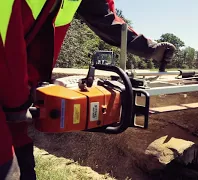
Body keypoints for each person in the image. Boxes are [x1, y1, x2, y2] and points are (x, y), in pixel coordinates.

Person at [0, 0, 176, 179]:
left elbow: (105, 18)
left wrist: (149, 49)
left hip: (17, 94)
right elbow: (5, 30)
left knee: (23, 165)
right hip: (10, 87)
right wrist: (16, 102)